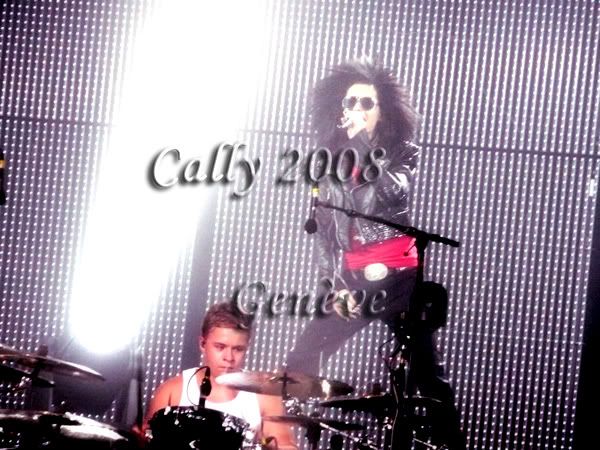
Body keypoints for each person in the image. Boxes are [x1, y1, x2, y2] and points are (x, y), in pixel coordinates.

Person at [286, 58, 465, 450]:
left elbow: (390, 193)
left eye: (367, 103)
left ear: (382, 111)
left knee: (426, 374)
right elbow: (324, 233)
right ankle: (290, 436)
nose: (357, 110)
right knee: (302, 356)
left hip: (398, 275)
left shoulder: (402, 152)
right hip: (354, 278)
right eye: (351, 102)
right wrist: (334, 286)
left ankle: (450, 443)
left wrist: (361, 145)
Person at [145, 301, 297, 450]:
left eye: (238, 349)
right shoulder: (172, 391)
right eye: (220, 347)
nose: (229, 357)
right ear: (202, 344)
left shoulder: (264, 395)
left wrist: (275, 445)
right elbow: (148, 441)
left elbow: (284, 443)